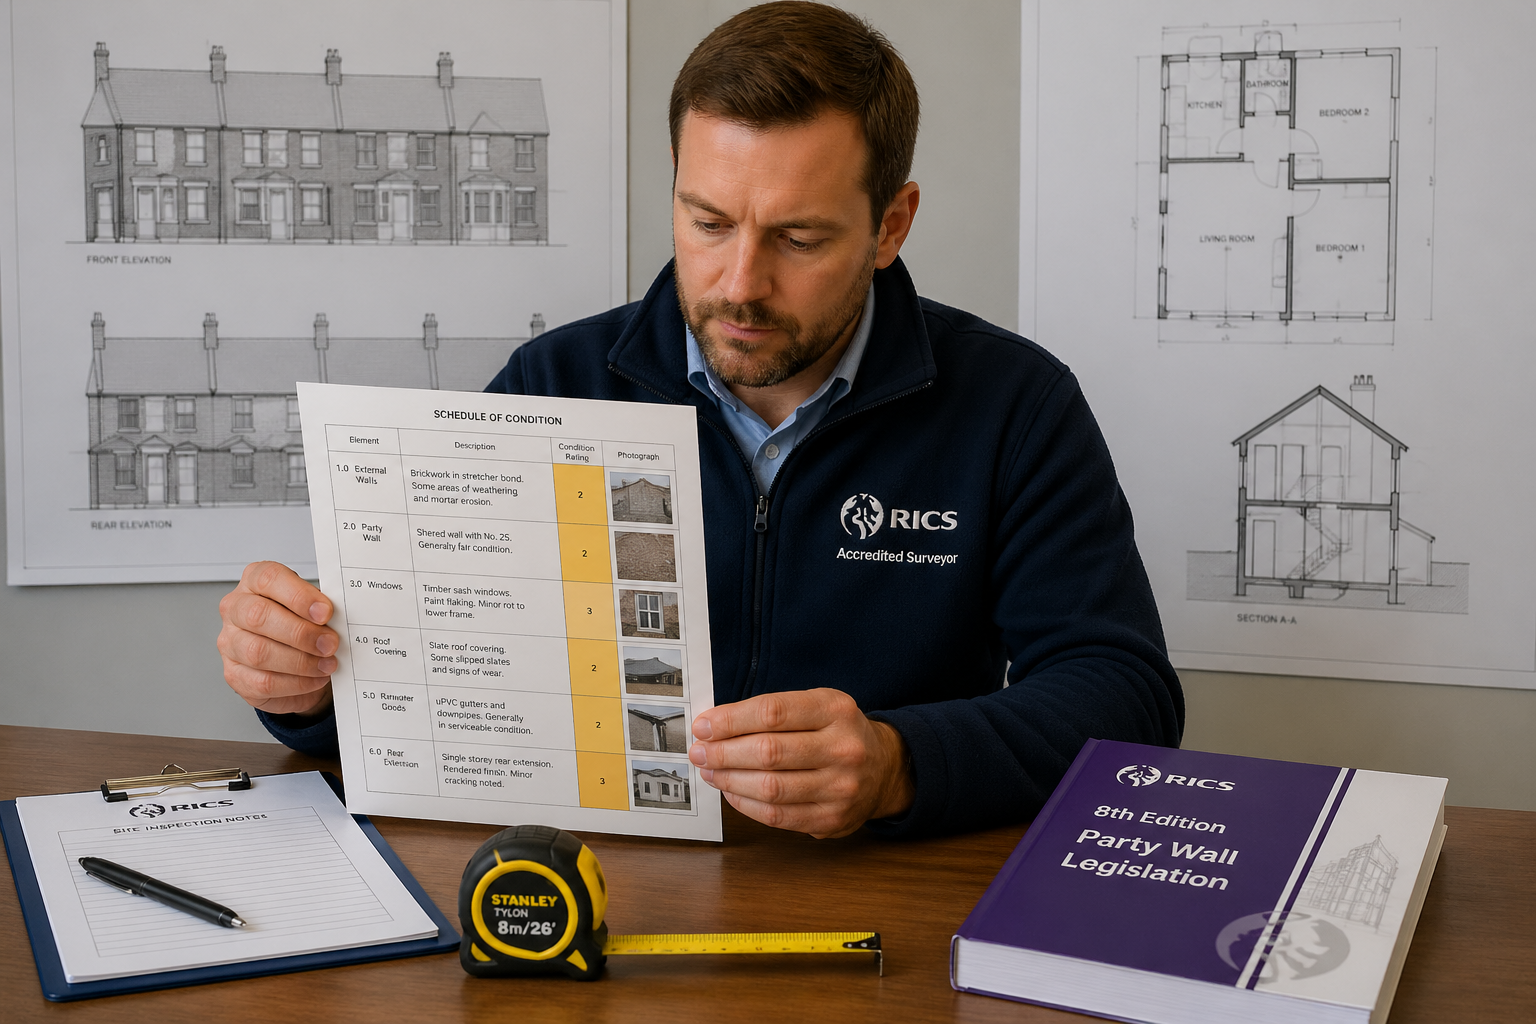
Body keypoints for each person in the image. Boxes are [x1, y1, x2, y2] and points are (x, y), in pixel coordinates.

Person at [217, 1, 1182, 840]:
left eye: (798, 237)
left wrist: (902, 763)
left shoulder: (1015, 405)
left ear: (890, 225)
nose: (740, 283)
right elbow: (432, 678)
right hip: (601, 882)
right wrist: (308, 686)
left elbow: (1125, 695)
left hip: (885, 896)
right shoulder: (553, 384)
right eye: (708, 223)